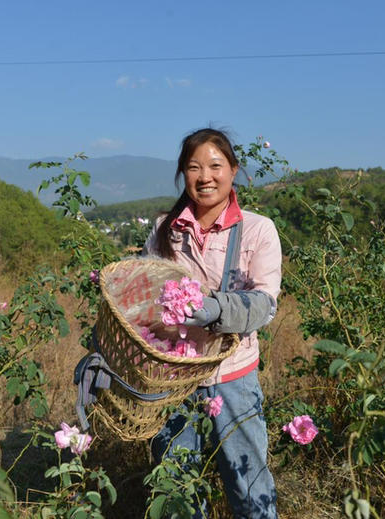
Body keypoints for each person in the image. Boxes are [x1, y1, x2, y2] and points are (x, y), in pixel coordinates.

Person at [142, 128, 281, 518]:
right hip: (175, 378)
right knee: (176, 484)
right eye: (194, 167)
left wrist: (215, 309)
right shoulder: (163, 231)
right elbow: (144, 295)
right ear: (182, 174)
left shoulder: (257, 229)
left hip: (233, 376)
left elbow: (265, 304)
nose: (205, 176)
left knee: (249, 483)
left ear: (233, 170)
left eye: (215, 166)